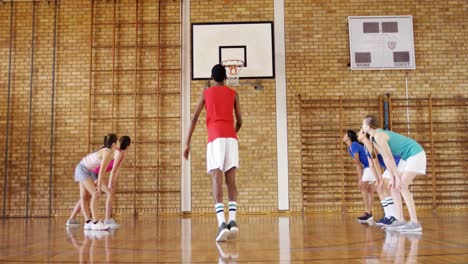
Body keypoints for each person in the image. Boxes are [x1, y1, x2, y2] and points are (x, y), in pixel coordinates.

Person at [183, 64, 243, 242]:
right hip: (231, 137)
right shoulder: (234, 94)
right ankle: (233, 221)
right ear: (226, 77)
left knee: (216, 178)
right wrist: (233, 132)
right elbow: (240, 121)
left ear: (212, 78)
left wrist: (187, 143)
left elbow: (194, 118)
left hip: (215, 137)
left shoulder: (206, 93)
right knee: (231, 180)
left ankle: (221, 224)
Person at [362, 115, 426, 232]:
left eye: (363, 124)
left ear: (368, 126)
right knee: (393, 187)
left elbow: (390, 158)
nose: (362, 126)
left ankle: (414, 222)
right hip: (406, 158)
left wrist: (396, 177)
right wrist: (392, 178)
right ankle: (400, 220)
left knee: (402, 186)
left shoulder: (378, 135)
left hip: (415, 154)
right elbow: (386, 159)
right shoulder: (373, 138)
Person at [67, 136, 131, 228]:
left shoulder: (119, 153)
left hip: (93, 172)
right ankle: (102, 221)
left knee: (87, 196)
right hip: (92, 172)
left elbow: (116, 170)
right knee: (95, 194)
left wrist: (112, 183)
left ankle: (74, 219)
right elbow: (111, 171)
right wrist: (109, 184)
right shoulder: (116, 153)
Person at [73, 133, 118, 230]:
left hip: (86, 169)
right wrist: (98, 186)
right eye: (117, 141)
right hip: (82, 169)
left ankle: (88, 222)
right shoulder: (107, 153)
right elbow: (102, 171)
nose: (118, 143)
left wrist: (98, 183)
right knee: (95, 194)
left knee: (85, 196)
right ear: (114, 144)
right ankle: (95, 222)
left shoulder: (107, 151)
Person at [358, 129, 399, 226]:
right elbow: (371, 165)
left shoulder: (370, 144)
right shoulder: (365, 146)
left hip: (396, 162)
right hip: (388, 167)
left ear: (364, 135)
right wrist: (377, 180)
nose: (358, 133)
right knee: (379, 187)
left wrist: (380, 180)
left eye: (360, 131)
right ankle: (388, 215)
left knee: (384, 184)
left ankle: (394, 216)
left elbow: (376, 162)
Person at [343, 130, 375, 222]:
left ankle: (368, 213)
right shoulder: (350, 148)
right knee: (368, 190)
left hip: (370, 166)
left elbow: (357, 163)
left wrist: (360, 179)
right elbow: (358, 164)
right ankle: (369, 213)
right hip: (368, 167)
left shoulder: (354, 145)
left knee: (364, 188)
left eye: (345, 134)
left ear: (349, 137)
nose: (343, 136)